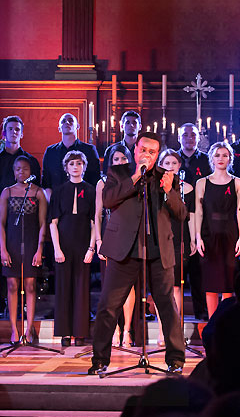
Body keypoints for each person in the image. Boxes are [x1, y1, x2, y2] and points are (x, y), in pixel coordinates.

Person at [89, 131, 188, 375]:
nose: (147, 155)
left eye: (152, 152)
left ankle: (175, 359)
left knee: (167, 305)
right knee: (109, 305)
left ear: (158, 155)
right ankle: (100, 359)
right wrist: (135, 176)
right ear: (135, 150)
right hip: (125, 250)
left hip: (158, 250)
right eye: (143, 150)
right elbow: (109, 200)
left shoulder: (167, 177)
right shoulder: (117, 173)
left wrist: (169, 191)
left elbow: (181, 213)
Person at [0, 115, 42, 318]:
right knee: (0, 262)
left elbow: (38, 190)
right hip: (2, 219)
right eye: (10, 129)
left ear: (22, 133)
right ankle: (0, 304)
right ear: (4, 132)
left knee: (26, 266)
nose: (14, 132)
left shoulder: (31, 161)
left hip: (27, 220)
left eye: (17, 129)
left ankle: (24, 306)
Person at [0, 155, 47, 344]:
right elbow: (1, 223)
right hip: (11, 243)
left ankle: (28, 329)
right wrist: (3, 249)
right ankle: (13, 329)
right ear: (13, 171)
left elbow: (42, 224)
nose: (21, 172)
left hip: (31, 244)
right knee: (12, 285)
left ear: (31, 171)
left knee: (30, 285)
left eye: (25, 169)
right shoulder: (7, 192)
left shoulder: (38, 192)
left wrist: (39, 250)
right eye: (18, 169)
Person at [50, 151, 96, 347]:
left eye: (79, 163)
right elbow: (53, 223)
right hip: (64, 244)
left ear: (84, 166)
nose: (75, 167)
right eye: (71, 164)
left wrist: (91, 248)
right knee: (63, 288)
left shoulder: (91, 190)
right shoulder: (59, 190)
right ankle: (65, 332)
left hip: (83, 244)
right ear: (66, 168)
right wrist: (57, 249)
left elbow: (94, 223)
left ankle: (80, 332)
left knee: (82, 288)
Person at [195, 141, 240, 317]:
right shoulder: (202, 183)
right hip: (209, 234)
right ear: (211, 158)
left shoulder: (238, 183)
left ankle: (226, 322)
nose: (221, 158)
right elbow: (198, 212)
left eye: (225, 155)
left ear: (230, 158)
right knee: (210, 282)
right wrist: (198, 237)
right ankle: (212, 323)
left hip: (230, 234)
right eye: (217, 155)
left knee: (228, 283)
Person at [94, 144, 137, 346]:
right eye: (116, 159)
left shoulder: (135, 179)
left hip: (131, 235)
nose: (120, 162)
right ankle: (114, 329)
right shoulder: (103, 182)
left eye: (123, 159)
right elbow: (97, 214)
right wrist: (98, 241)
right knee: (111, 286)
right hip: (110, 235)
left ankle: (127, 329)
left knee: (129, 285)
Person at [157, 149, 197, 331]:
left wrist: (193, 239)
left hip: (180, 238)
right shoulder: (155, 187)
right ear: (161, 166)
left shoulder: (187, 189)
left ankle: (175, 329)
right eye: (167, 163)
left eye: (174, 163)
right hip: (160, 239)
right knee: (161, 287)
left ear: (180, 165)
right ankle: (161, 330)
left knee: (176, 286)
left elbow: (191, 216)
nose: (170, 166)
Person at [178, 122, 211, 320]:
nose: (189, 138)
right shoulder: (172, 160)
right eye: (185, 135)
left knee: (198, 269)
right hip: (177, 221)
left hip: (200, 218)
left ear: (198, 138)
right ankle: (175, 312)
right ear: (179, 138)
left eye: (193, 135)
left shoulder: (206, 160)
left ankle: (201, 310)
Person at [41, 112, 101, 198]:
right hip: (56, 200)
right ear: (59, 128)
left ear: (77, 126)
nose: (67, 122)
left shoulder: (89, 150)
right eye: (63, 121)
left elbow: (95, 179)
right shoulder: (51, 151)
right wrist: (52, 201)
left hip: (83, 199)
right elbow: (46, 181)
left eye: (70, 120)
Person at [103, 110, 141, 176]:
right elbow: (106, 174)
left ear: (140, 127)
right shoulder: (111, 150)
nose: (131, 125)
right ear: (122, 126)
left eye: (134, 123)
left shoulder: (144, 150)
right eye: (127, 122)